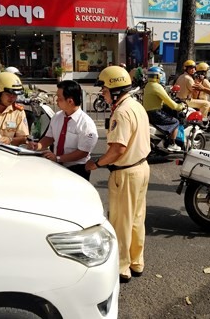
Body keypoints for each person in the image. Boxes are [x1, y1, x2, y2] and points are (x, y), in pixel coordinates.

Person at [85, 65, 150, 284]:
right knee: (136, 219)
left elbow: (117, 149)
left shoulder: (121, 112)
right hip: (142, 168)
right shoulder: (135, 105)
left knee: (121, 221)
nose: (102, 93)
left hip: (126, 173)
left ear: (114, 90)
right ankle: (136, 261)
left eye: (103, 89)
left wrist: (96, 163)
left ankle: (122, 267)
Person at [27, 80, 98, 180]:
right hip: (57, 167)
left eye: (59, 98)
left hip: (77, 169)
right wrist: (38, 146)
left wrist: (58, 158)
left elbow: (83, 152)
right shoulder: (57, 117)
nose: (56, 101)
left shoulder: (86, 123)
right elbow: (49, 137)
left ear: (70, 101)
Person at [143, 66, 184, 152]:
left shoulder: (148, 85)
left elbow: (161, 100)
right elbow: (169, 102)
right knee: (175, 122)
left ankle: (166, 137)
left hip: (148, 112)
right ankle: (172, 144)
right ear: (157, 76)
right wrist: (179, 106)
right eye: (161, 75)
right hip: (156, 113)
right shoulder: (157, 86)